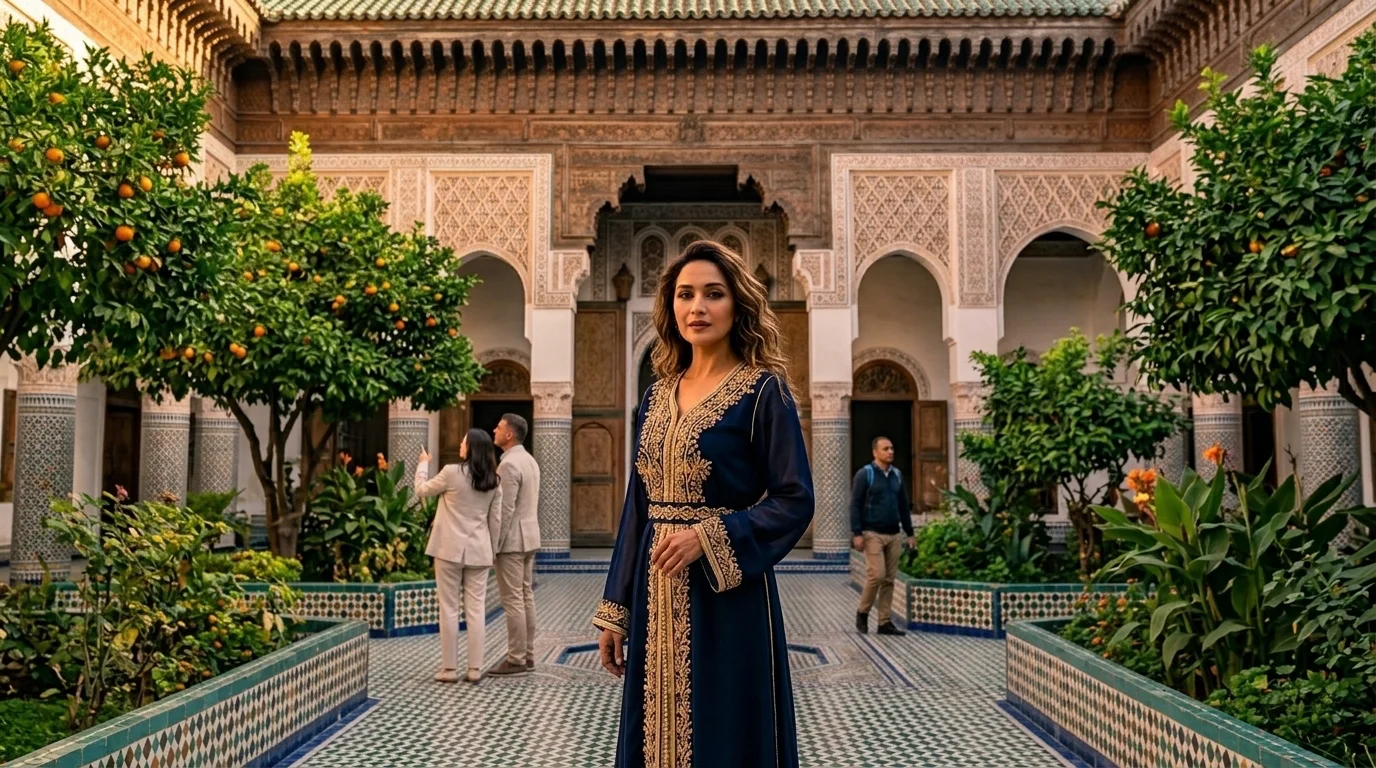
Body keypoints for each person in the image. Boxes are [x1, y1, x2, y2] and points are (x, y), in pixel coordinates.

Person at [594, 240, 814, 768]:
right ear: (670, 307)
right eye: (685, 295)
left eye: (713, 294)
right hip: (654, 596)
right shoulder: (656, 396)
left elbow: (794, 498)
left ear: (737, 304)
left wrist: (710, 537)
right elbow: (638, 508)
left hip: (728, 598)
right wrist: (615, 610)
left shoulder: (764, 393)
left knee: (723, 730)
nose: (698, 308)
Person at [415, 429, 502, 684]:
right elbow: (495, 521)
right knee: (476, 611)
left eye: (463, 441)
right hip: (479, 550)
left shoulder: (451, 473)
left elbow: (422, 490)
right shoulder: (494, 480)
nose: (460, 444)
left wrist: (423, 464)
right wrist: (493, 550)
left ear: (471, 447)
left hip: (447, 550)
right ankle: (475, 669)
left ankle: (449, 670)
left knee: (449, 609)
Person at [487, 413, 541, 676]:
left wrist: (493, 545)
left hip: (512, 541)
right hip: (529, 536)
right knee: (525, 596)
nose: (494, 430)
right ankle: (528, 655)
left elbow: (504, 510)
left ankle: (517, 659)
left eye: (498, 427)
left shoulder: (508, 465)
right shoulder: (529, 460)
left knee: (512, 601)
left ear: (509, 434)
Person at [851, 436, 916, 635]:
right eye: (886, 448)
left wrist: (910, 533)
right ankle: (863, 612)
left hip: (894, 534)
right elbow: (855, 504)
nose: (890, 452)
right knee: (876, 575)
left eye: (892, 448)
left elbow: (903, 506)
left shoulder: (896, 475)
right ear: (875, 452)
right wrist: (857, 532)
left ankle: (884, 622)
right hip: (872, 533)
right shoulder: (865, 474)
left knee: (889, 579)